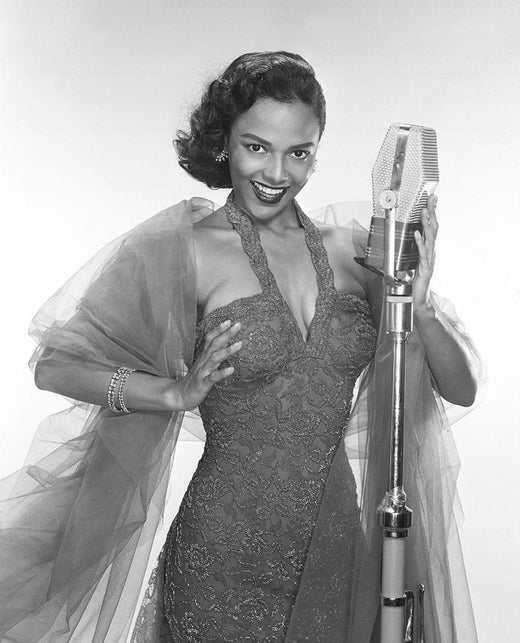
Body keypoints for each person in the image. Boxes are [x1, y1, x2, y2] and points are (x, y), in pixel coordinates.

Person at [0, 52, 480, 643]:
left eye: (298, 152)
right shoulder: (185, 250)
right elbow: (57, 365)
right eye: (257, 147)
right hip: (220, 560)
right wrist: (172, 393)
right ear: (224, 142)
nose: (277, 172)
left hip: (335, 555)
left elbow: (459, 388)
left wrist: (419, 305)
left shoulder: (354, 253)